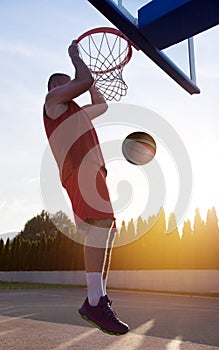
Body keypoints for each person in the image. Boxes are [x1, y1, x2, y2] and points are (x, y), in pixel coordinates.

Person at [43, 40, 129, 336]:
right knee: (100, 225)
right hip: (80, 171)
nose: (74, 88)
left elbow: (101, 105)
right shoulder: (54, 103)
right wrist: (75, 57)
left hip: (92, 171)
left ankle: (98, 299)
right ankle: (94, 301)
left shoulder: (76, 113)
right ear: (56, 87)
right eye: (68, 84)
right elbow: (84, 80)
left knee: (106, 231)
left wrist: (89, 77)